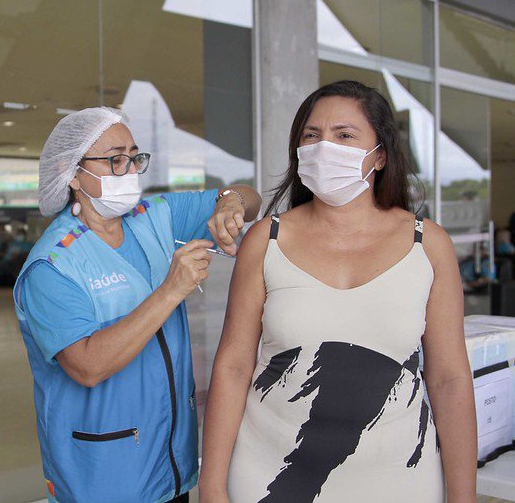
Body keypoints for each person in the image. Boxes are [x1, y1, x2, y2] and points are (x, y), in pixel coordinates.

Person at [200, 81, 476, 502]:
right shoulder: (266, 239)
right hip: (267, 474)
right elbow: (233, 367)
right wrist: (212, 486)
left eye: (344, 135)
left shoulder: (428, 244)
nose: (324, 147)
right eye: (312, 135)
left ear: (380, 155)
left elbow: (449, 378)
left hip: (400, 477)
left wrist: (463, 495)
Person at [13, 107, 261, 502]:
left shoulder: (155, 217)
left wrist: (230, 204)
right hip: (105, 476)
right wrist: (170, 291)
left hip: (171, 467)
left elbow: (249, 197)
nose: (129, 170)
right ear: (73, 173)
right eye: (115, 160)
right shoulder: (53, 267)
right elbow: (87, 365)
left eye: (134, 157)